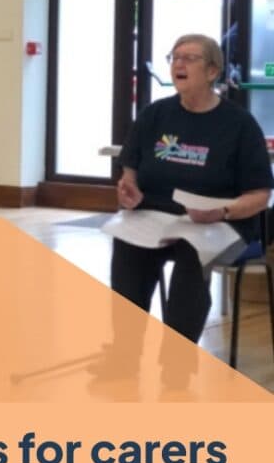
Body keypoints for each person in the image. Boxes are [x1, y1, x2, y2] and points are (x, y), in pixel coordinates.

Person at [112, 33, 271, 367]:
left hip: (223, 222)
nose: (178, 64)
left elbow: (260, 195)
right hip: (157, 217)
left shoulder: (239, 125)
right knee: (127, 248)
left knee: (191, 253)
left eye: (189, 58)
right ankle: (124, 355)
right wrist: (129, 189)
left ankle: (177, 365)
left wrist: (223, 210)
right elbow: (130, 167)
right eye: (175, 57)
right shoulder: (155, 115)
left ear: (212, 71)